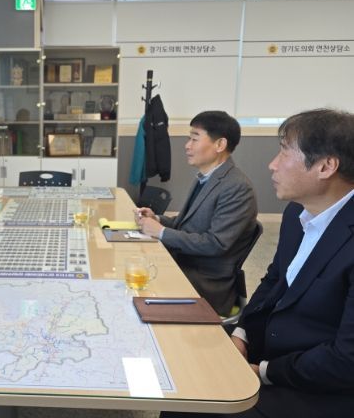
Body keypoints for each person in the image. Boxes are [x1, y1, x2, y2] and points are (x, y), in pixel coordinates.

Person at [165, 109, 354, 417]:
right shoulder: (297, 213)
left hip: (315, 384)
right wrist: (242, 334)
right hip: (270, 347)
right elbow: (273, 282)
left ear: (326, 166)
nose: (272, 164)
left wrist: (264, 370)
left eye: (284, 152)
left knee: (194, 405)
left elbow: (345, 360)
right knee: (183, 367)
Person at [135, 111, 257, 315]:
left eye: (194, 139)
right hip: (183, 262)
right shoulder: (205, 177)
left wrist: (161, 232)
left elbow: (215, 244)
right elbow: (187, 224)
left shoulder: (237, 187)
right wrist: (157, 219)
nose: (187, 145)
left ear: (220, 145)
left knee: (132, 282)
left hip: (205, 281)